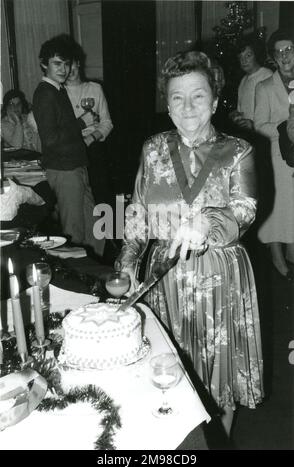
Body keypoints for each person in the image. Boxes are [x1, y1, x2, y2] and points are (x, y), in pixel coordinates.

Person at [116, 50, 264, 438]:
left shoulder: (238, 151)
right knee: (168, 375)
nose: (187, 106)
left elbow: (245, 211)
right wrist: (128, 264)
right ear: (167, 104)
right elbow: (137, 213)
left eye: (198, 95)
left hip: (218, 278)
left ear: (215, 101)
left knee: (218, 385)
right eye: (177, 97)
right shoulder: (152, 150)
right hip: (164, 278)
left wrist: (206, 221)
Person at [33, 34, 105, 257]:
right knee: (73, 233)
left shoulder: (58, 90)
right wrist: (82, 123)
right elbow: (50, 139)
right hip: (64, 170)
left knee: (96, 226)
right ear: (44, 64)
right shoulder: (45, 93)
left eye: (66, 63)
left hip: (76, 166)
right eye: (57, 63)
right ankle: (78, 281)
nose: (63, 69)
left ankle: (96, 270)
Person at [254, 29, 294, 279]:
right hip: (280, 158)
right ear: (273, 58)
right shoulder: (265, 87)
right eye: (279, 52)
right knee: (281, 209)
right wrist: (285, 132)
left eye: (289, 49)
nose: (284, 56)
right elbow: (259, 124)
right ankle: (278, 260)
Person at [64, 39, 114, 206]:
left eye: (71, 63)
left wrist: (91, 138)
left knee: (100, 195)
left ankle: (104, 230)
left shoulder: (95, 89)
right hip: (70, 148)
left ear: (78, 63)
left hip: (94, 147)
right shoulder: (58, 92)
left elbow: (107, 123)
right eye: (64, 65)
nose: (69, 69)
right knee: (78, 199)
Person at [230, 37, 272, 131]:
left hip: (264, 134)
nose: (244, 60)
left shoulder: (267, 75)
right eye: (240, 57)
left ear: (256, 55)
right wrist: (236, 115)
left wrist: (253, 124)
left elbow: (274, 112)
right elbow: (242, 110)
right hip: (248, 134)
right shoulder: (243, 81)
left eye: (248, 55)